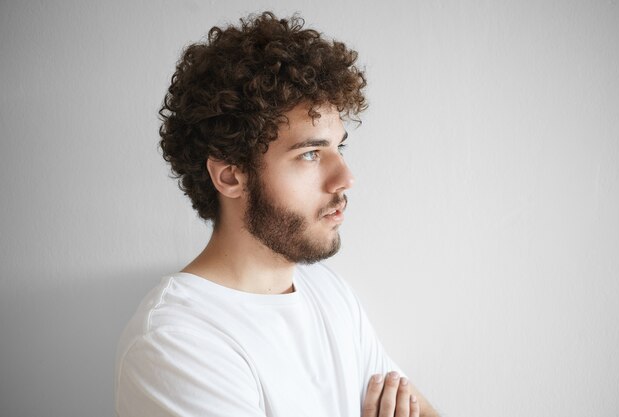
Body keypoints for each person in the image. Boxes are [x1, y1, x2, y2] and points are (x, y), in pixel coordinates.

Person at [115, 11, 438, 417]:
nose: (345, 178)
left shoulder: (329, 292)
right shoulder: (176, 342)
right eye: (309, 154)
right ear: (231, 176)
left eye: (340, 148)